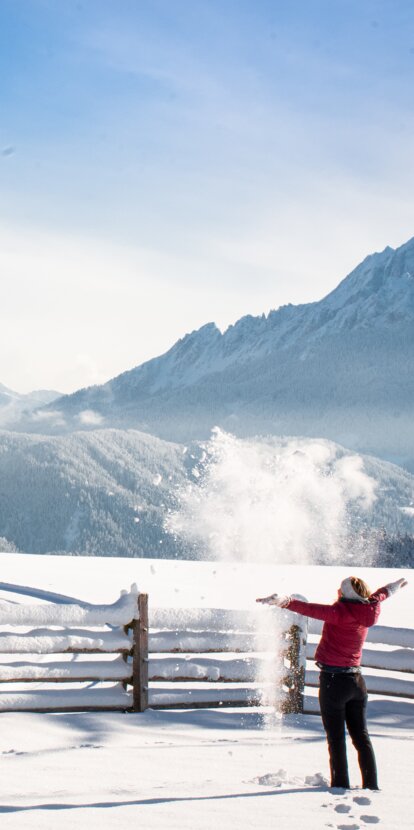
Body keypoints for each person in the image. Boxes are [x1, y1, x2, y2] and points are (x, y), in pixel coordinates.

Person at [256, 575, 408, 790]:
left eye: (341, 589)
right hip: (356, 682)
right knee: (361, 737)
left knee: (336, 738)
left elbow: (309, 610)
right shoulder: (368, 608)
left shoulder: (338, 613)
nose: (337, 591)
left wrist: (283, 600)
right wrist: (392, 588)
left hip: (333, 683)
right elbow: (379, 596)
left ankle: (340, 785)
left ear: (345, 594)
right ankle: (371, 786)